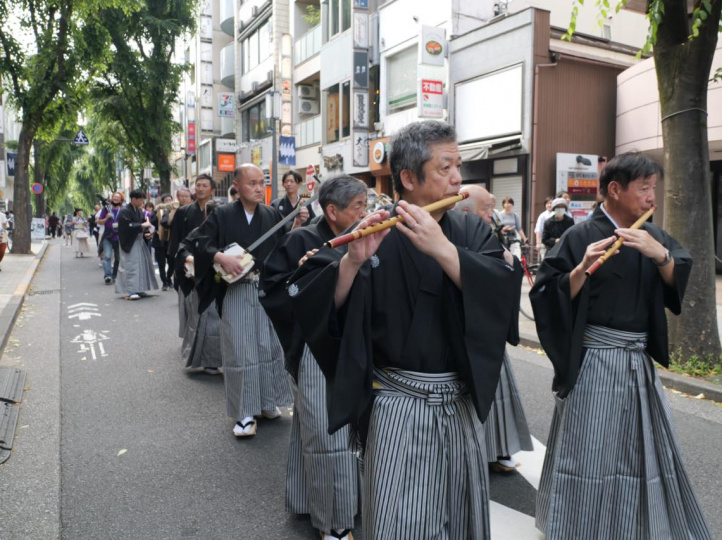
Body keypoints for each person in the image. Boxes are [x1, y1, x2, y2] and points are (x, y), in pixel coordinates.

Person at [288, 121, 519, 539]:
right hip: (397, 403)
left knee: (458, 517)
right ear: (408, 179)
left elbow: (503, 290)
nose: (457, 178)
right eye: (445, 167)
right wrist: (352, 262)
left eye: (458, 166)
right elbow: (315, 303)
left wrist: (444, 251)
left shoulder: (469, 231)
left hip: (459, 402)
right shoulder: (377, 231)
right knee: (400, 519)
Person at [530, 152, 711, 540]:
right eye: (643, 189)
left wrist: (659, 255)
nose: (651, 198)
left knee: (643, 447)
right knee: (589, 449)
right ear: (615, 190)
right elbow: (546, 292)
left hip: (637, 361)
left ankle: (637, 526)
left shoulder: (653, 235)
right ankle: (579, 526)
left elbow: (679, 268)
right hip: (595, 359)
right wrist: (579, 270)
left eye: (653, 189)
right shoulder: (580, 235)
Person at [261, 175, 366, 540]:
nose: (365, 214)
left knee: (340, 431)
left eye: (367, 206)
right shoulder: (300, 240)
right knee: (327, 433)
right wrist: (309, 281)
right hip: (317, 348)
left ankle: (310, 498)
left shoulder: (370, 236)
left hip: (359, 346)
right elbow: (274, 288)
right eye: (358, 207)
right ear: (332, 211)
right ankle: (335, 522)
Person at [188, 163, 306, 437]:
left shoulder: (271, 214)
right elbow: (200, 241)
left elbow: (282, 248)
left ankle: (267, 402)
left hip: (265, 290)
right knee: (241, 350)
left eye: (261, 182)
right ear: (237, 187)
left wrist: (297, 225)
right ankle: (244, 412)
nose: (257, 188)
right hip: (238, 290)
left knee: (268, 347)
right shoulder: (223, 214)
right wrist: (220, 257)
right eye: (251, 183)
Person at [457, 185, 533, 473]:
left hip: (489, 332)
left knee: (498, 395)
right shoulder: (454, 236)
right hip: (466, 334)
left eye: (492, 208)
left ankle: (498, 449)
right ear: (466, 211)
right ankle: (480, 452)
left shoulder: (489, 238)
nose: (493, 215)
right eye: (486, 209)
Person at [176, 199, 224, 374]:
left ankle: (226, 359)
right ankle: (209, 361)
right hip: (205, 281)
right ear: (206, 215)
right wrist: (189, 258)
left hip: (227, 281)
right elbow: (183, 248)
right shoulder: (199, 231)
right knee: (208, 323)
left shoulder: (229, 231)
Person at [115, 190, 160, 300]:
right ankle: (130, 290)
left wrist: (146, 234)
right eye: (140, 199)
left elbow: (141, 225)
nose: (142, 202)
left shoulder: (139, 211)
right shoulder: (124, 211)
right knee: (131, 265)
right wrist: (141, 225)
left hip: (139, 240)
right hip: (130, 241)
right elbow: (127, 226)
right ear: (133, 199)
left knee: (141, 264)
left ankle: (139, 288)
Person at [168, 187, 193, 337]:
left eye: (186, 196)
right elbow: (168, 224)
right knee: (179, 283)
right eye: (181, 196)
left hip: (195, 254)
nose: (184, 199)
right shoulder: (177, 212)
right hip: (179, 251)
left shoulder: (200, 211)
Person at [97, 193, 125, 284]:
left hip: (119, 237)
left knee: (117, 258)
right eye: (115, 197)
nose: (116, 199)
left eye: (118, 198)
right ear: (112, 198)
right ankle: (107, 275)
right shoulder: (106, 209)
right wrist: (106, 218)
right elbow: (99, 222)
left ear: (121, 200)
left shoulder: (123, 210)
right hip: (108, 236)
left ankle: (114, 275)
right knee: (108, 256)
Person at [154, 194, 175, 290]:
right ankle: (164, 283)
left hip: (170, 241)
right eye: (166, 200)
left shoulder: (175, 211)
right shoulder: (158, 211)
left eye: (170, 200)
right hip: (159, 241)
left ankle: (168, 277)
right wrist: (157, 211)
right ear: (162, 202)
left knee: (172, 262)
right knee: (161, 264)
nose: (168, 201)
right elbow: (152, 222)